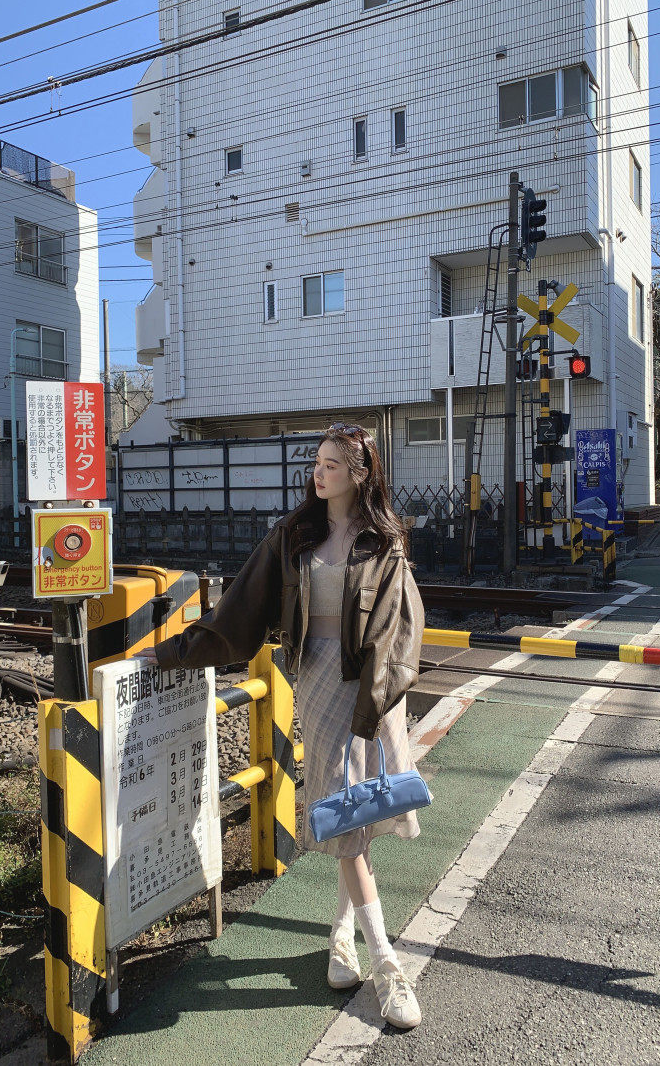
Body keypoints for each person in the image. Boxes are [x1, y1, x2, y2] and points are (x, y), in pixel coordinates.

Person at [144, 423, 426, 1029]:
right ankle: (386, 964)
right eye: (316, 463)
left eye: (331, 465)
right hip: (320, 684)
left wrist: (376, 701)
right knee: (345, 820)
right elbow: (240, 610)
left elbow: (401, 629)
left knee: (359, 817)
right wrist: (168, 653)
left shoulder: (386, 540)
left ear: (360, 474)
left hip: (373, 689)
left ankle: (343, 939)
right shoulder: (293, 534)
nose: (318, 474)